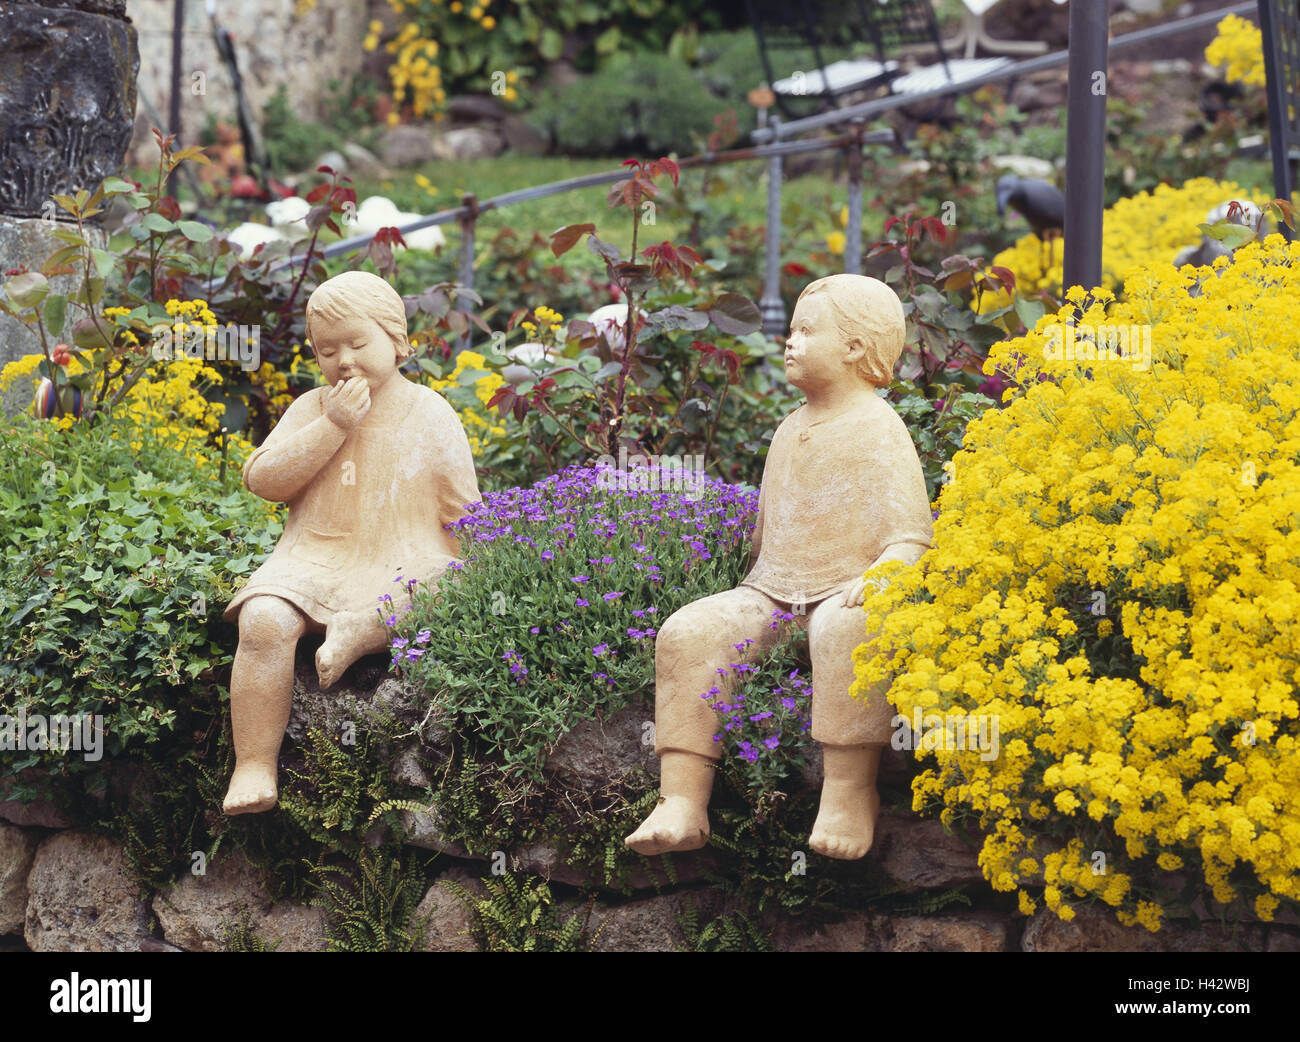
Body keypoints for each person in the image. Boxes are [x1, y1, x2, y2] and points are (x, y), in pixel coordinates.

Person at [625, 274, 933, 859]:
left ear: (854, 348)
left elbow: (911, 537)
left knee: (848, 631)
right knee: (688, 631)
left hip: (844, 593)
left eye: (805, 331)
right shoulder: (789, 428)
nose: (789, 342)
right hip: (771, 592)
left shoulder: (878, 429)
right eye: (790, 330)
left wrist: (882, 575)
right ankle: (682, 800)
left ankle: (848, 792)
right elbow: (765, 536)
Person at [220, 270, 480, 815]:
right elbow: (265, 480)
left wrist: (486, 560)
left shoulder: (431, 412)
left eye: (358, 343)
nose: (344, 360)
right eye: (327, 349)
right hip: (313, 559)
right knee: (264, 620)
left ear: (398, 341)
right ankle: (253, 764)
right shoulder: (314, 408)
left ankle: (362, 629)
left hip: (402, 560)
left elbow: (465, 513)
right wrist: (332, 427)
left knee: (448, 580)